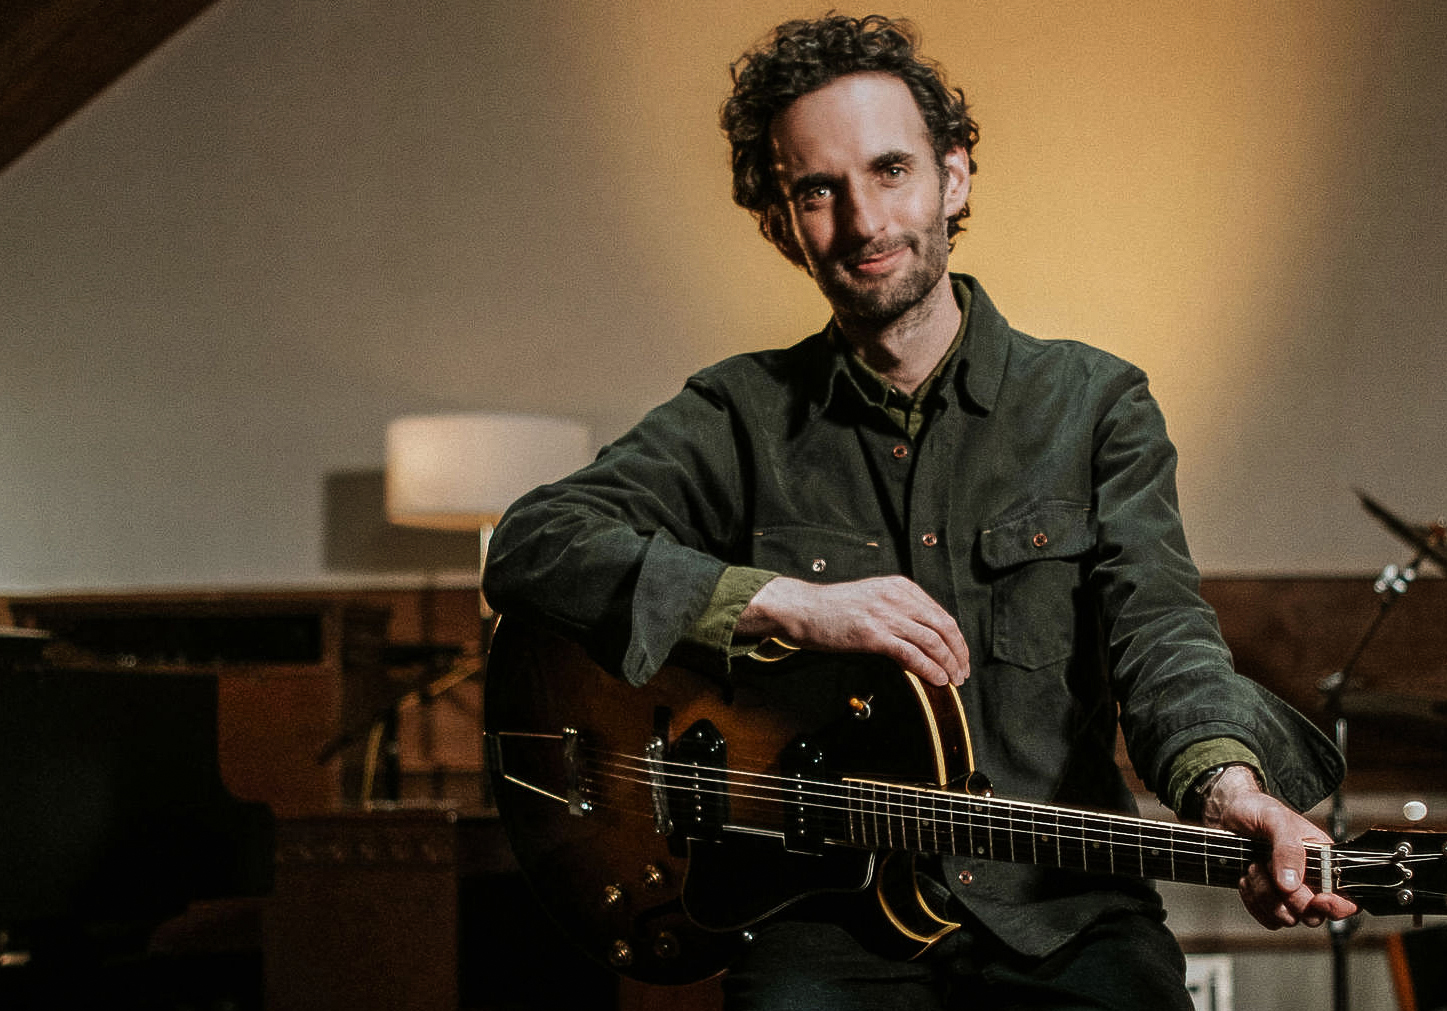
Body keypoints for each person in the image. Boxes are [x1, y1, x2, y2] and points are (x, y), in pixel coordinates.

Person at [483, 13, 1357, 1009]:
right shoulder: (737, 415)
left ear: (954, 176)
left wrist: (1231, 794)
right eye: (818, 189)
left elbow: (1162, 641)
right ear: (779, 221)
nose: (862, 222)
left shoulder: (1093, 405)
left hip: (1065, 918)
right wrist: (782, 604)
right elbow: (533, 544)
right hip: (824, 932)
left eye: (889, 170)